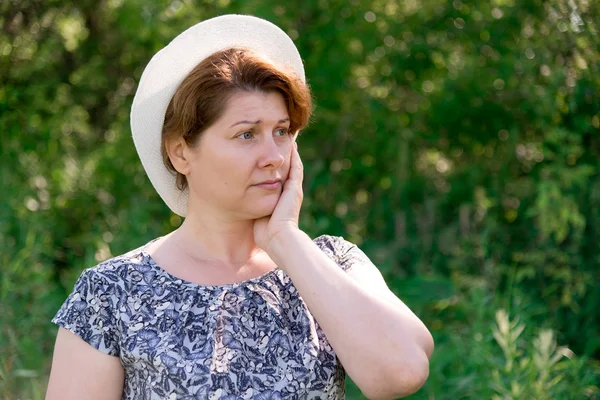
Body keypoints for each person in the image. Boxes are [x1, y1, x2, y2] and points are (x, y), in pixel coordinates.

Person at [46, 14, 434, 400]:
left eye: (281, 132)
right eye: (246, 134)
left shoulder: (333, 263)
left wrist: (285, 239)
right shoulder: (111, 293)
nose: (274, 156)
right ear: (181, 152)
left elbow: (402, 372)